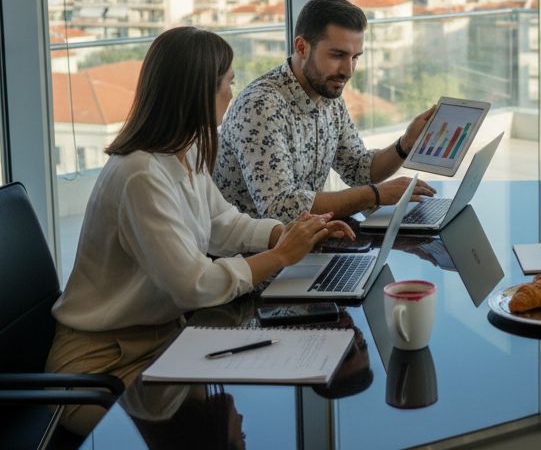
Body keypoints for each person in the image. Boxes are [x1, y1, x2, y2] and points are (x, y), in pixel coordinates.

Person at [47, 27, 355, 435]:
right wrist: (280, 257)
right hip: (101, 364)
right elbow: (193, 286)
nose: (232, 93)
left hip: (164, 339)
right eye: (226, 84)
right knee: (211, 429)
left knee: (241, 402)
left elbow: (221, 223)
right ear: (196, 93)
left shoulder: (184, 150)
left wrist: (284, 234)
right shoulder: (140, 174)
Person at [215, 0, 437, 221]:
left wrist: (406, 144)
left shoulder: (329, 95)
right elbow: (280, 208)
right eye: (338, 55)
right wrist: (375, 195)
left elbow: (359, 170)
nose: (348, 70)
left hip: (305, 241)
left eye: (355, 57)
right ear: (302, 47)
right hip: (256, 252)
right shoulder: (261, 106)